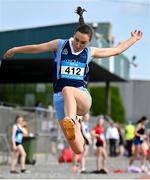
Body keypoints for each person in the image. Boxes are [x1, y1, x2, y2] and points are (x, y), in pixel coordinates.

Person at [3, 6, 143, 154]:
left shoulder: (90, 52)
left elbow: (116, 50)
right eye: (77, 40)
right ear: (73, 35)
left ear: (88, 42)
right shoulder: (60, 45)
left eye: (83, 43)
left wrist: (134, 38)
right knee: (78, 149)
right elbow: (37, 48)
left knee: (68, 89)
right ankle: (75, 124)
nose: (78, 45)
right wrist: (15, 49)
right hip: (60, 99)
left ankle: (72, 119)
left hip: (81, 97)